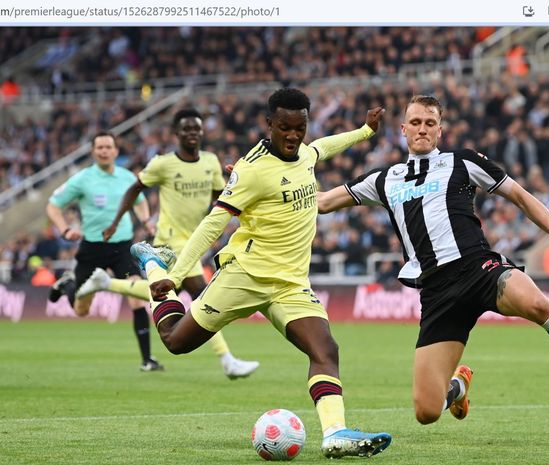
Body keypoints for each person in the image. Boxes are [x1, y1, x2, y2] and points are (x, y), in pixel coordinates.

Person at [317, 95, 549, 425]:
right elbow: (321, 202)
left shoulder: (462, 161)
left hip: (480, 270)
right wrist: (284, 177)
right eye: (415, 122)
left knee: (538, 304)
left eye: (429, 122)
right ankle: (457, 387)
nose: (422, 128)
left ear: (440, 129)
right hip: (438, 294)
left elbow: (520, 196)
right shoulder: (383, 179)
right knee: (426, 412)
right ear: (403, 129)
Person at [131, 88, 392, 458]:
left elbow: (323, 147)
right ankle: (152, 261)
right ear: (269, 124)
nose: (292, 136)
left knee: (325, 349)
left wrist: (364, 131)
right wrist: (172, 276)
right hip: (244, 276)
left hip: (290, 285)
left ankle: (335, 433)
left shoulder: (304, 152)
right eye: (284, 127)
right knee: (175, 341)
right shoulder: (250, 171)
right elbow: (212, 224)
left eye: (299, 127)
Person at [76, 109, 258, 380]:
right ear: (176, 133)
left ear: (202, 132)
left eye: (196, 128)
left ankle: (107, 284)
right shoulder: (163, 164)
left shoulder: (210, 162)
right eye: (186, 129)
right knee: (203, 297)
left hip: (195, 239)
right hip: (169, 243)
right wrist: (115, 222)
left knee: (164, 292)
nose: (192, 133)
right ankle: (227, 361)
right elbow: (134, 189)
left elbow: (221, 195)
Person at [46, 132, 163, 371]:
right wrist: (65, 230)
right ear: (93, 151)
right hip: (92, 248)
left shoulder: (127, 177)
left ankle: (147, 360)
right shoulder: (82, 179)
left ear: (115, 151)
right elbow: (53, 206)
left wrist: (144, 220)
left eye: (108, 147)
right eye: (99, 147)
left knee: (137, 299)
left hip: (123, 246)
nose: (104, 151)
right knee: (81, 311)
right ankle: (68, 284)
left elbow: (139, 201)